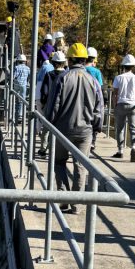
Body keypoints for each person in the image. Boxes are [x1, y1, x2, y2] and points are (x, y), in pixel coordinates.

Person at [45, 43, 103, 214]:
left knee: (59, 162)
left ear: (69, 60)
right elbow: (99, 109)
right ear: (85, 60)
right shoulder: (93, 81)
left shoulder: (62, 78)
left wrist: (49, 124)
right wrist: (96, 130)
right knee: (81, 166)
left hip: (62, 129)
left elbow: (53, 105)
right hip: (85, 131)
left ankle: (63, 198)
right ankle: (76, 204)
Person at [111, 55, 135, 161]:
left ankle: (120, 151)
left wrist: (115, 105)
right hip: (133, 105)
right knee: (133, 129)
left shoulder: (118, 78)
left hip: (121, 104)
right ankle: (133, 147)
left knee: (120, 129)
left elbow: (115, 94)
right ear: (133, 66)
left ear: (123, 66)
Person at [37, 50, 66, 156]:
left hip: (50, 105)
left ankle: (44, 148)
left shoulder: (49, 75)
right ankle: (54, 148)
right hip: (62, 106)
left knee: (46, 128)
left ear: (54, 63)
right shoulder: (66, 75)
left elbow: (44, 91)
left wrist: (43, 103)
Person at [12, 54, 30, 122]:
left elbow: (14, 76)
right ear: (24, 61)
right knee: (22, 100)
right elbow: (29, 77)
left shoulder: (16, 67)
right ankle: (20, 115)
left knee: (14, 98)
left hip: (16, 84)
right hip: (24, 85)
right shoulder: (28, 68)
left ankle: (13, 113)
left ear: (18, 61)